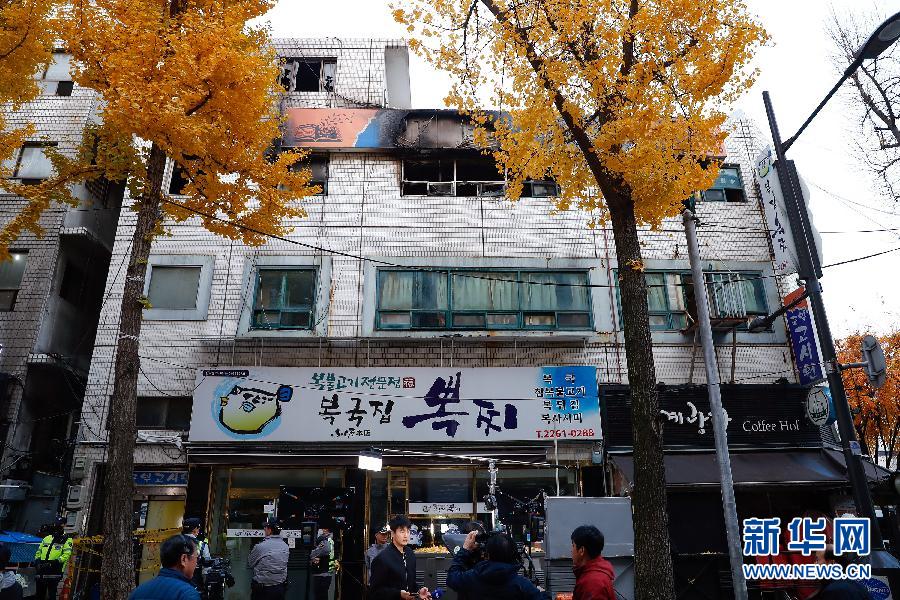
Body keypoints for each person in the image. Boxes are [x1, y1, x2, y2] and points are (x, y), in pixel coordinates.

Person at [447, 530, 547, 600]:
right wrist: (542, 593)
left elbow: (452, 577)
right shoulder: (522, 585)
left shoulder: (470, 578)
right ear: (514, 555)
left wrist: (465, 550)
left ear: (487, 555)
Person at [369, 515, 431, 600]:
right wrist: (399, 594)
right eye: (402, 531)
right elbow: (375, 592)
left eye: (408, 531)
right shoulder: (382, 559)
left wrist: (419, 591)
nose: (406, 535)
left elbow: (411, 582)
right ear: (393, 533)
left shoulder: (410, 554)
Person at [128, 535, 201, 600]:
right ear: (184, 559)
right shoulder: (187, 594)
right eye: (196, 557)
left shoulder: (138, 592)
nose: (196, 563)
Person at [247, 518, 289, 600]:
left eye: (265, 527)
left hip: (263, 591)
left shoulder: (261, 546)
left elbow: (250, 563)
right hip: (279, 589)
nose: (264, 529)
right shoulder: (285, 546)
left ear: (269, 530)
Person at [570, 525, 615, 600]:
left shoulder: (592, 583)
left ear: (582, 550)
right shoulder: (596, 573)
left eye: (573, 546)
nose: (571, 550)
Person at [33, 518, 73, 600]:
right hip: (42, 570)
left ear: (65, 525)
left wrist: (54, 562)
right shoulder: (47, 538)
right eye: (56, 523)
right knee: (39, 594)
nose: (57, 525)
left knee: (51, 594)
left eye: (60, 524)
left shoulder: (67, 539)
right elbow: (38, 551)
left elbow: (66, 555)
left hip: (55, 571)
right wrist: (37, 561)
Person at [182, 517, 212, 593]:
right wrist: (206, 587)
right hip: (194, 585)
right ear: (195, 529)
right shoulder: (202, 545)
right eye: (198, 528)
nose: (198, 530)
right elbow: (206, 570)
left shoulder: (173, 542)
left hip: (174, 583)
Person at [310, 526, 336, 600]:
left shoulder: (325, 540)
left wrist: (312, 553)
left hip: (322, 573)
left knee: (320, 595)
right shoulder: (329, 540)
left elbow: (322, 550)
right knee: (322, 595)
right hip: (325, 572)